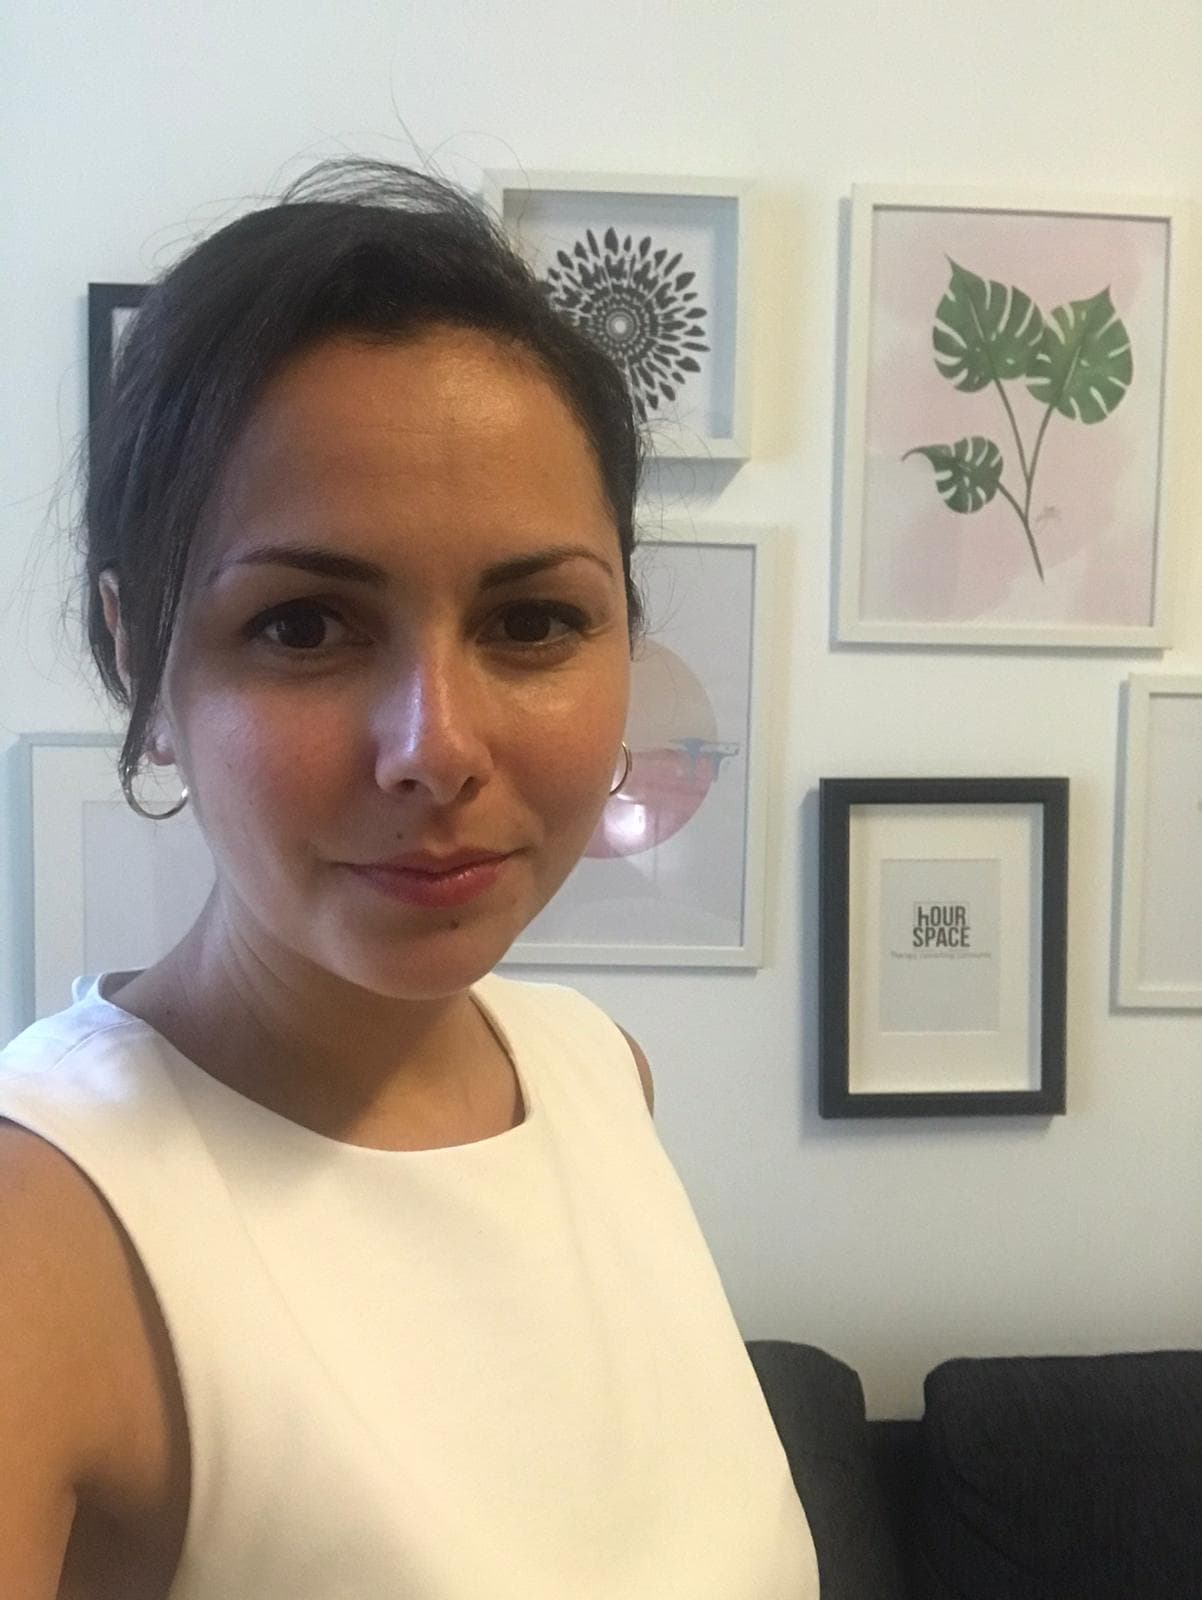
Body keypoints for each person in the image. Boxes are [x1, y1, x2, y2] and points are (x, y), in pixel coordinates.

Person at [0, 160, 818, 1599]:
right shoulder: (47, 1231)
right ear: (143, 654)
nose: (434, 749)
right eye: (305, 625)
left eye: (532, 619)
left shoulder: (593, 1076)